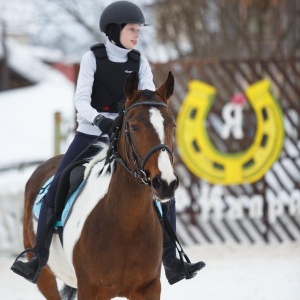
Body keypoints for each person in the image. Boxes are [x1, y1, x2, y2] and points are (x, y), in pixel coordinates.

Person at [11, 0, 205, 285]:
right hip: (92, 132)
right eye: (132, 29)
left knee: (163, 189)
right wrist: (100, 120)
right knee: (59, 182)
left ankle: (172, 261)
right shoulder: (93, 58)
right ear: (115, 31)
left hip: (128, 135)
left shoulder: (140, 61)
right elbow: (81, 101)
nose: (137, 35)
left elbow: (147, 98)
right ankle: (38, 257)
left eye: (138, 30)